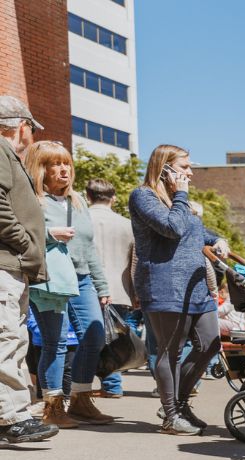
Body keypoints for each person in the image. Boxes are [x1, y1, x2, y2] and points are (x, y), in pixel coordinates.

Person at [130, 144, 229, 435]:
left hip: (195, 287)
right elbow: (172, 228)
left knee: (210, 342)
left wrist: (217, 239)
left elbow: (195, 231)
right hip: (165, 285)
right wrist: (181, 195)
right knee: (169, 351)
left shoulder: (178, 201)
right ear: (165, 169)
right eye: (184, 167)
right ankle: (171, 415)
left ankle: (180, 404)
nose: (191, 172)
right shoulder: (143, 196)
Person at [26, 141, 113, 428]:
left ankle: (80, 397)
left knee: (94, 338)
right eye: (55, 164)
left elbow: (89, 247)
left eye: (66, 163)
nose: (63, 169)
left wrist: (102, 286)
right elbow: (24, 236)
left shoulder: (77, 201)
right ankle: (52, 407)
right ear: (41, 168)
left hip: (83, 278)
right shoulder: (33, 199)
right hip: (50, 278)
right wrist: (50, 234)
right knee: (55, 342)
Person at [0, 96, 58, 444]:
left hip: (14, 264)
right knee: (6, 338)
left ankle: (11, 413)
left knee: (14, 338)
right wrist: (24, 243)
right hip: (8, 261)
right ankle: (11, 417)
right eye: (31, 130)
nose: (31, 137)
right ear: (21, 126)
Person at [86, 178, 136, 399]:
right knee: (114, 339)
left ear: (88, 196)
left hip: (88, 287)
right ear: (113, 198)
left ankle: (87, 385)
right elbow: (135, 262)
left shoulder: (82, 219)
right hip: (120, 289)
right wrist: (136, 293)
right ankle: (113, 384)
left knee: (86, 338)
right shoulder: (127, 224)